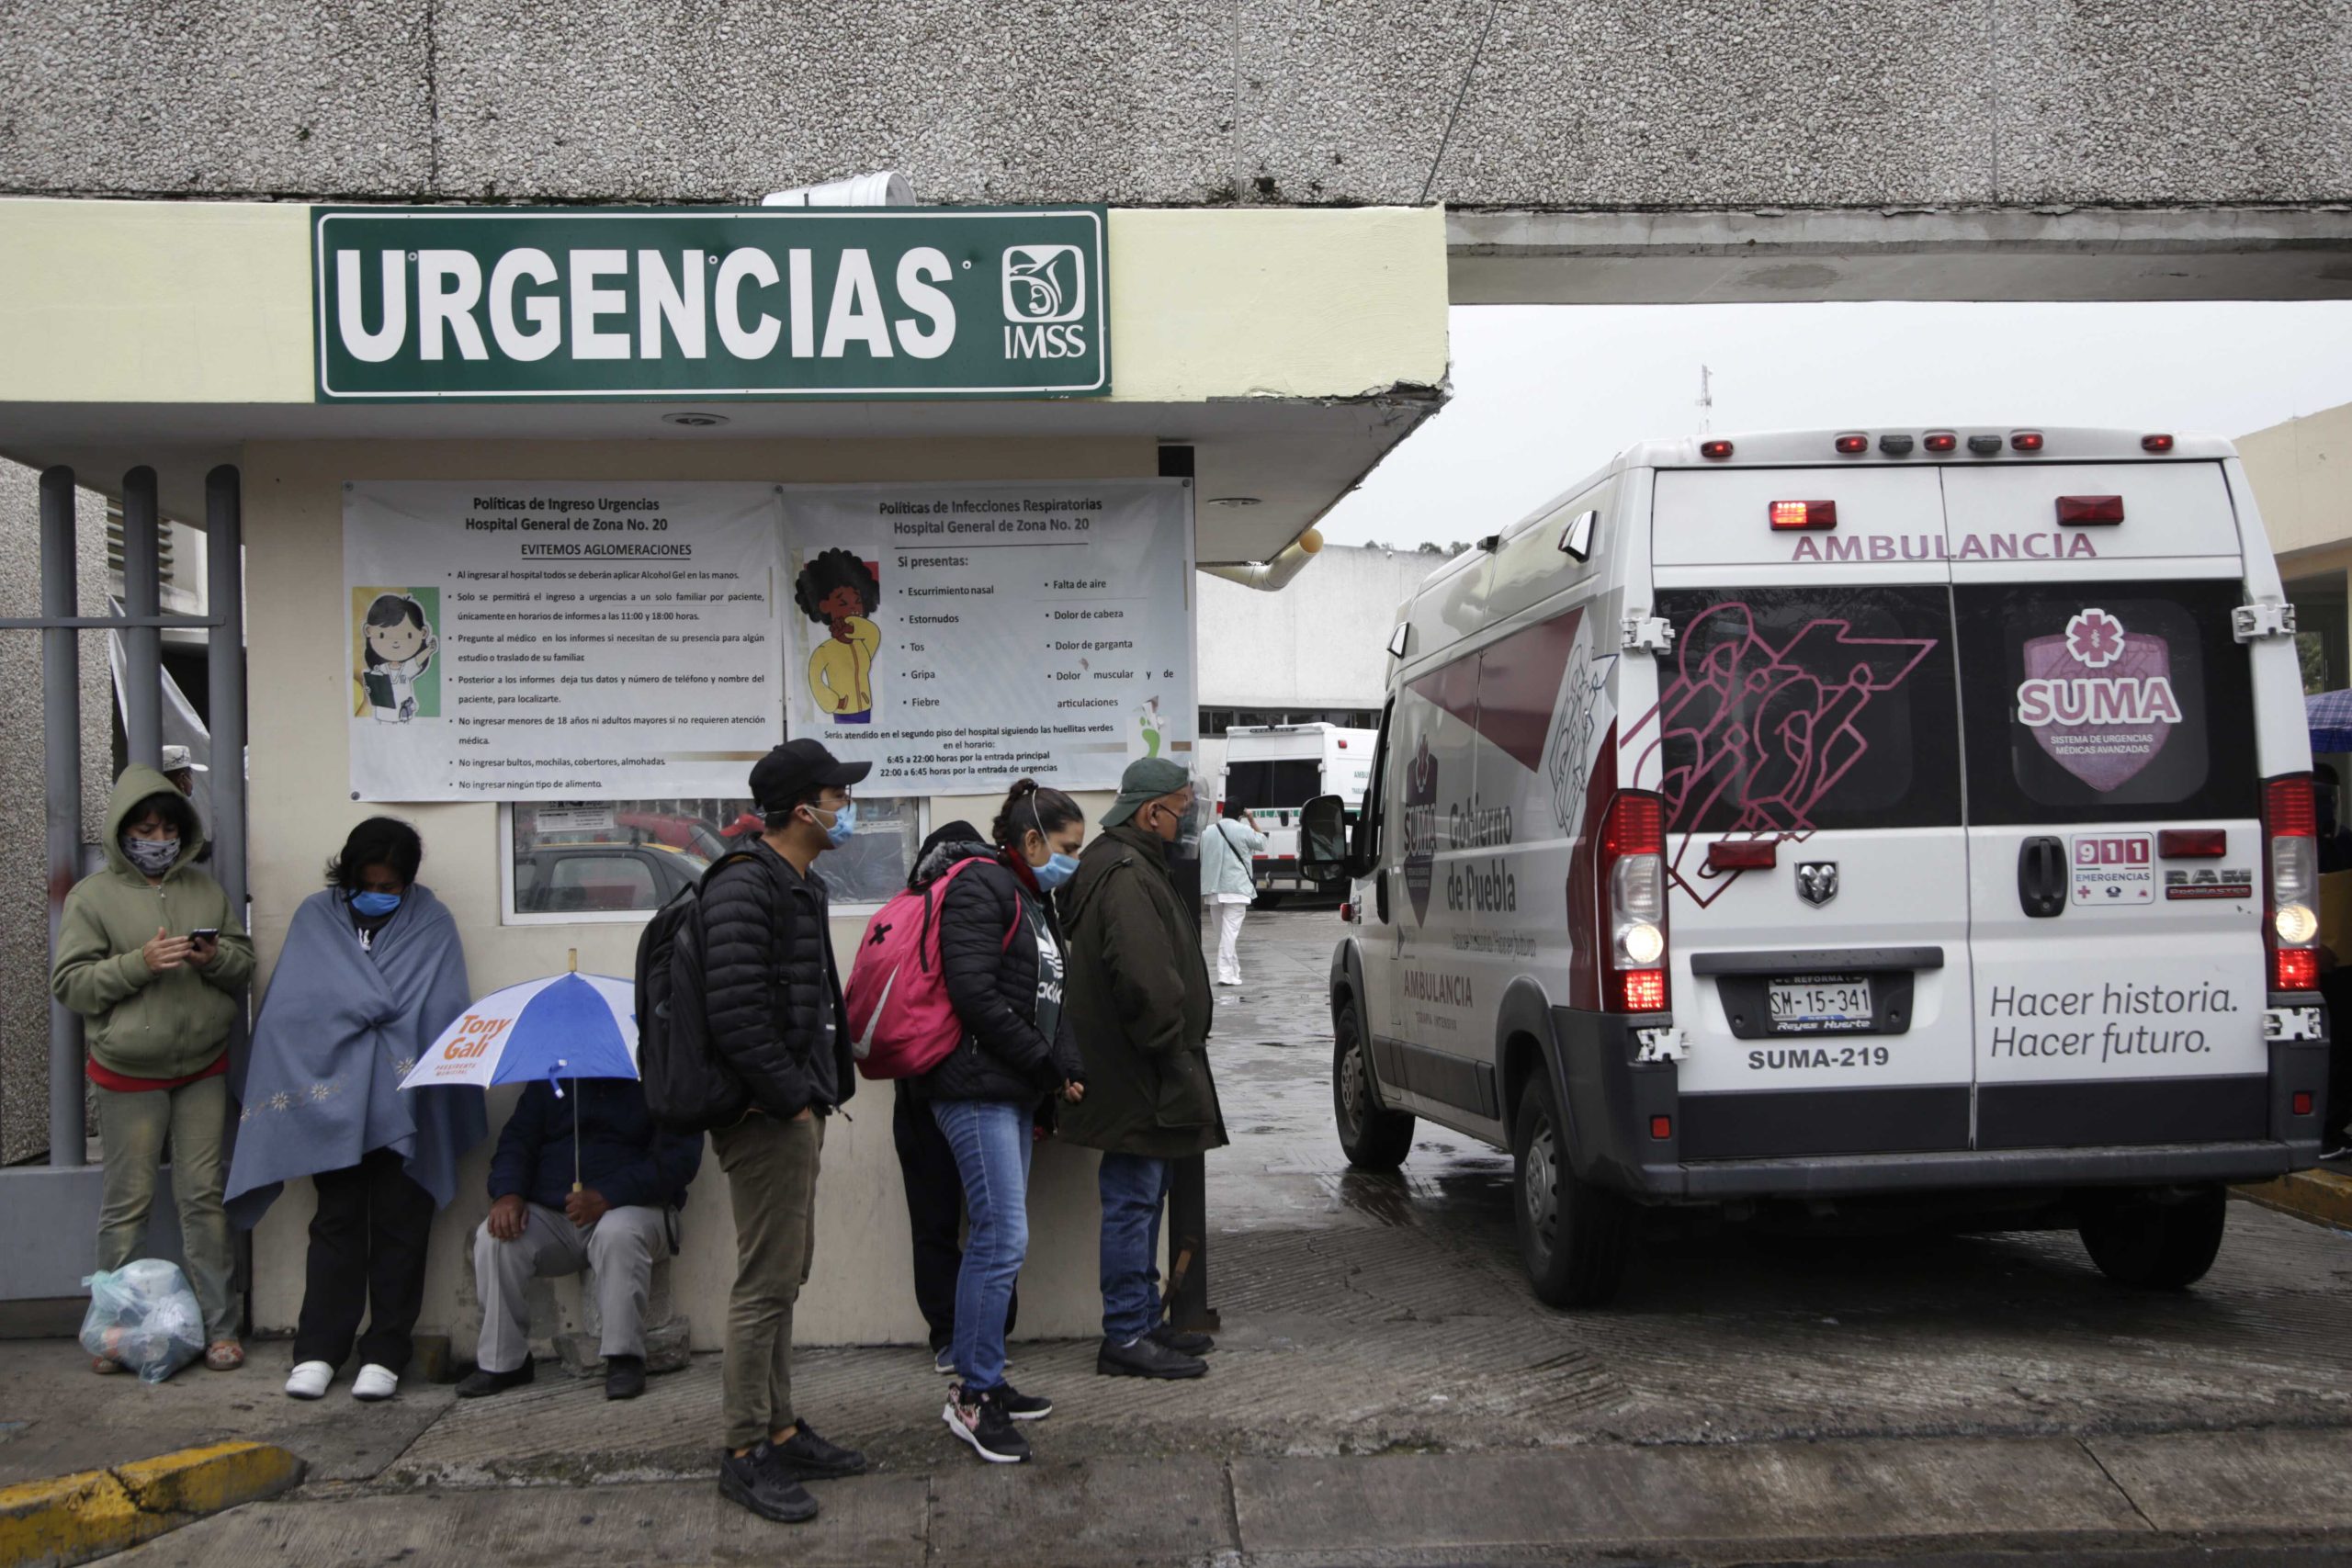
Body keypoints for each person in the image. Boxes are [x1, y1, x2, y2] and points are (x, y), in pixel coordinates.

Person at [224, 818, 483, 1402]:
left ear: (408, 882)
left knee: (401, 1224)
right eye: (369, 882)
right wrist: (362, 1012)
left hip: (406, 1101)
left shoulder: (431, 922)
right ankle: (319, 1350)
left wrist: (368, 1019)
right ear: (348, 874)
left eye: (391, 885)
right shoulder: (317, 917)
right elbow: (293, 1010)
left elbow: (441, 1009)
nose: (380, 893)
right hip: (332, 1104)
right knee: (336, 1223)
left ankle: (386, 1351)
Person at [704, 739, 870, 1524]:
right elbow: (735, 1014)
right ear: (804, 807)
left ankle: (779, 1425)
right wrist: (791, 1100)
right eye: (838, 795)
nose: (846, 808)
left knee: (784, 1278)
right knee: (764, 1284)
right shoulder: (746, 886)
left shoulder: (798, 883)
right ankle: (743, 1451)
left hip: (792, 1107)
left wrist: (815, 1091)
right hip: (764, 1115)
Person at [52, 764, 255, 1374]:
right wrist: (139, 963)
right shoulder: (92, 897)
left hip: (201, 1064)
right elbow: (71, 984)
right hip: (127, 1069)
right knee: (128, 1201)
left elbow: (243, 963)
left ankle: (222, 1327)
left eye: (167, 827)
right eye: (144, 827)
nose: (157, 837)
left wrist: (213, 957)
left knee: (203, 1197)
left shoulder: (204, 889)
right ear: (122, 832)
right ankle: (112, 1332)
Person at [917, 786, 1089, 1464]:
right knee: (1000, 1236)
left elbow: (1049, 997)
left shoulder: (1030, 898)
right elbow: (975, 995)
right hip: (975, 1089)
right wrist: (1046, 1065)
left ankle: (988, 1378)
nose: (1071, 862)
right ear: (1031, 842)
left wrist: (1063, 1065)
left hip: (1009, 1089)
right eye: (1067, 849)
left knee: (1000, 1237)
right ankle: (972, 1394)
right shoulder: (980, 889)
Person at [1057, 757, 1227, 1380]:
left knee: (1144, 1195)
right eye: (1180, 811)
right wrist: (1172, 1047)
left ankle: (1142, 1322)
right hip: (1140, 1074)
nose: (1185, 823)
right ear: (1150, 812)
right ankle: (1126, 1334)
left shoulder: (1125, 864)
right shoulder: (1128, 874)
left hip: (1137, 1073)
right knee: (1133, 1199)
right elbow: (1147, 984)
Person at [458, 1074, 704, 1401]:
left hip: (638, 1211)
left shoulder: (664, 1076)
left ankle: (624, 1358)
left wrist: (608, 1195)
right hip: (557, 1215)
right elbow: (517, 1141)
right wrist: (508, 1192)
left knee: (617, 1233)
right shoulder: (554, 1079)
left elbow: (678, 1161)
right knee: (494, 1240)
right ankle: (504, 1362)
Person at [1202, 803, 1267, 987]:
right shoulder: (1244, 830)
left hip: (1213, 888)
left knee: (1223, 935)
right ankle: (1225, 974)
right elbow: (1262, 842)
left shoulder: (1207, 832)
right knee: (1229, 934)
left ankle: (1233, 971)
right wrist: (1252, 819)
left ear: (1222, 812)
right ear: (1241, 815)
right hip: (1236, 889)